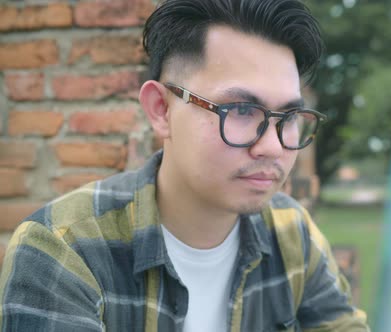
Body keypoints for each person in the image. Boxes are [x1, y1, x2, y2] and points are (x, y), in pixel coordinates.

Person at [0, 0, 369, 331]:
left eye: (289, 116)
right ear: (161, 110)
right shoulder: (66, 249)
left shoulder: (291, 232)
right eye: (240, 110)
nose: (272, 146)